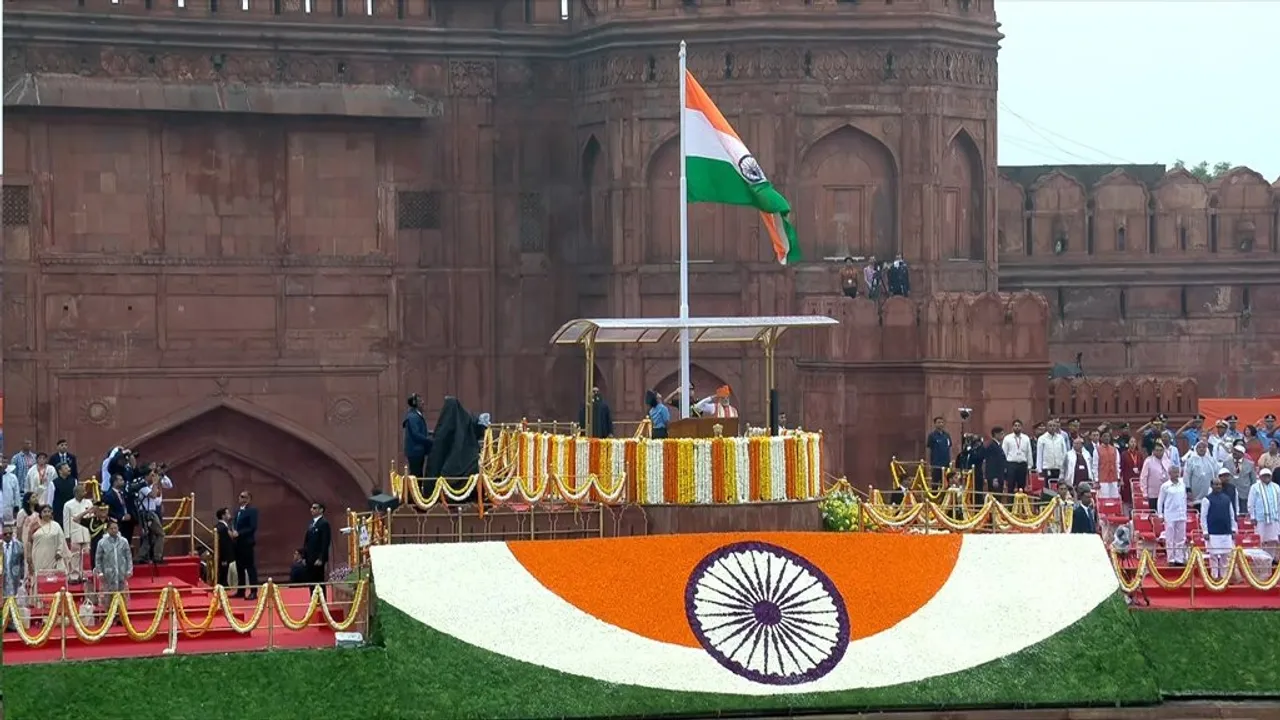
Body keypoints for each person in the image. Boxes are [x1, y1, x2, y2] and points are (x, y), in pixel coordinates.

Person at [424, 396, 484, 500]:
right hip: (465, 462)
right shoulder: (464, 419)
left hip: (450, 465)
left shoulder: (449, 420)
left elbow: (441, 439)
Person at [1200, 474, 1239, 580]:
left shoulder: (1227, 499)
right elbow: (1203, 517)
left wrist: (1233, 529)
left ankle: (1224, 576)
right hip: (1212, 532)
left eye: (1219, 485)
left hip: (1226, 531)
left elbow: (1231, 515)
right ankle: (1214, 576)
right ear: (1211, 486)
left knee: (1225, 556)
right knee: (1213, 556)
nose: (1218, 486)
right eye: (1216, 484)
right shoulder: (1206, 499)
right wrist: (1205, 531)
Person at [1156, 466, 1189, 566]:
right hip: (1170, 514)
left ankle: (1179, 558)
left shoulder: (1183, 484)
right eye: (1174, 472)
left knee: (1181, 537)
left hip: (1181, 514)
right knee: (1170, 537)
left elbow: (1184, 498)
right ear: (1169, 473)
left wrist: (1185, 511)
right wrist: (1160, 514)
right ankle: (1171, 559)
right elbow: (1160, 501)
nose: (1176, 474)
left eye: (1177, 472)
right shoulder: (1165, 486)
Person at [95, 518, 133, 605]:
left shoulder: (124, 541)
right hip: (108, 575)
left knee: (123, 599)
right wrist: (100, 572)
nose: (113, 530)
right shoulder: (102, 542)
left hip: (121, 573)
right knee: (108, 599)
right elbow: (98, 559)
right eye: (111, 528)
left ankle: (122, 613)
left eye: (115, 528)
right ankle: (108, 613)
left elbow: (128, 557)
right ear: (107, 530)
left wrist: (129, 570)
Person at [231, 490, 260, 600]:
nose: (240, 498)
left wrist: (239, 533)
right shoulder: (238, 511)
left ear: (248, 499)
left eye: (243, 496)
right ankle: (241, 590)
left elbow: (252, 527)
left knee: (250, 567)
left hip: (247, 543)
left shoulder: (252, 511)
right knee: (239, 568)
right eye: (240, 496)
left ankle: (253, 591)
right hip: (237, 543)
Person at [62, 483, 94, 579]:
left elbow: (92, 518)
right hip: (74, 532)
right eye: (83, 491)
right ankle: (74, 575)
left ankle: (85, 574)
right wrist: (67, 535)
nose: (85, 492)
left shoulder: (88, 503)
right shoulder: (68, 504)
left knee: (86, 554)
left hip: (86, 532)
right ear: (76, 493)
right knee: (75, 555)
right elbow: (66, 520)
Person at [1248, 467, 1280, 560]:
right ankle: (1261, 560)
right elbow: (1251, 503)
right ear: (1260, 477)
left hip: (1274, 518)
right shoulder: (1255, 487)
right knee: (1261, 540)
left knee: (1273, 540)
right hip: (1260, 519)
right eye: (1264, 476)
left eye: (1268, 476)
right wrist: (1252, 516)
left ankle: (1271, 559)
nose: (1266, 477)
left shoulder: (1276, 487)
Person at [303, 501, 332, 597]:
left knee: (319, 581)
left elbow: (325, 542)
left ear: (321, 510)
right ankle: (313, 600)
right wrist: (304, 556)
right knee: (311, 581)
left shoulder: (324, 523)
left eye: (315, 508)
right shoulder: (312, 523)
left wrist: (321, 558)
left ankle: (322, 600)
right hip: (310, 558)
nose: (312, 510)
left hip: (317, 559)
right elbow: (306, 541)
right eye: (311, 508)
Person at [402, 393, 431, 478]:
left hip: (417, 451)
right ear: (415, 404)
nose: (423, 402)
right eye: (420, 401)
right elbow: (416, 434)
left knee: (418, 475)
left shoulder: (415, 415)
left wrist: (430, 433)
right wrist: (429, 441)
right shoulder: (413, 417)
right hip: (415, 451)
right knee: (416, 475)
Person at [1000, 419, 1031, 494]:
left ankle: (1021, 501)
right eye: (1015, 426)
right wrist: (1004, 466)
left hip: (1022, 464)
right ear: (1012, 427)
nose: (1017, 427)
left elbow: (1029, 452)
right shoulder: (1007, 438)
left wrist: (1030, 465)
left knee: (1021, 487)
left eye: (1019, 426)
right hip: (1011, 465)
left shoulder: (1026, 438)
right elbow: (1004, 453)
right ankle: (1010, 502)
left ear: (1021, 427)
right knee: (1010, 486)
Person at [1139, 444, 1171, 511]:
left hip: (1166, 493)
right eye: (1157, 450)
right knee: (1154, 513)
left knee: (1166, 512)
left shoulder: (1167, 461)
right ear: (1153, 451)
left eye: (1161, 450)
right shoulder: (1148, 461)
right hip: (1153, 494)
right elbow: (1143, 478)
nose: (1159, 452)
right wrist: (1144, 492)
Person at [925, 416, 952, 490]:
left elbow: (949, 447)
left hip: (946, 464)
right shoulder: (932, 436)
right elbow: (929, 449)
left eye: (942, 422)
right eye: (939, 422)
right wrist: (929, 463)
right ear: (935, 424)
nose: (941, 424)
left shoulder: (947, 435)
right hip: (936, 464)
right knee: (935, 483)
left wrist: (950, 461)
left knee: (946, 484)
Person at [2, 522, 25, 601]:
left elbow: (22, 563)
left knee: (14, 599)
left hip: (15, 576)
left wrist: (22, 578)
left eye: (10, 533)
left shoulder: (19, 546)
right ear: (2, 535)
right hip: (3, 577)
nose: (8, 535)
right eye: (5, 534)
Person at [214, 507, 234, 589]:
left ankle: (225, 583)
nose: (229, 515)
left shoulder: (224, 526)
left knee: (226, 571)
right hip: (224, 555)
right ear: (223, 516)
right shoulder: (221, 527)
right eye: (227, 513)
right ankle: (223, 584)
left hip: (226, 554)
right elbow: (223, 544)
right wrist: (224, 558)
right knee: (223, 571)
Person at [2, 459, 20, 525]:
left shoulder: (12, 477)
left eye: (5, 462)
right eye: (2, 462)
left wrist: (17, 506)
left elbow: (16, 493)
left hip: (8, 507)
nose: (3, 464)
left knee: (8, 526)